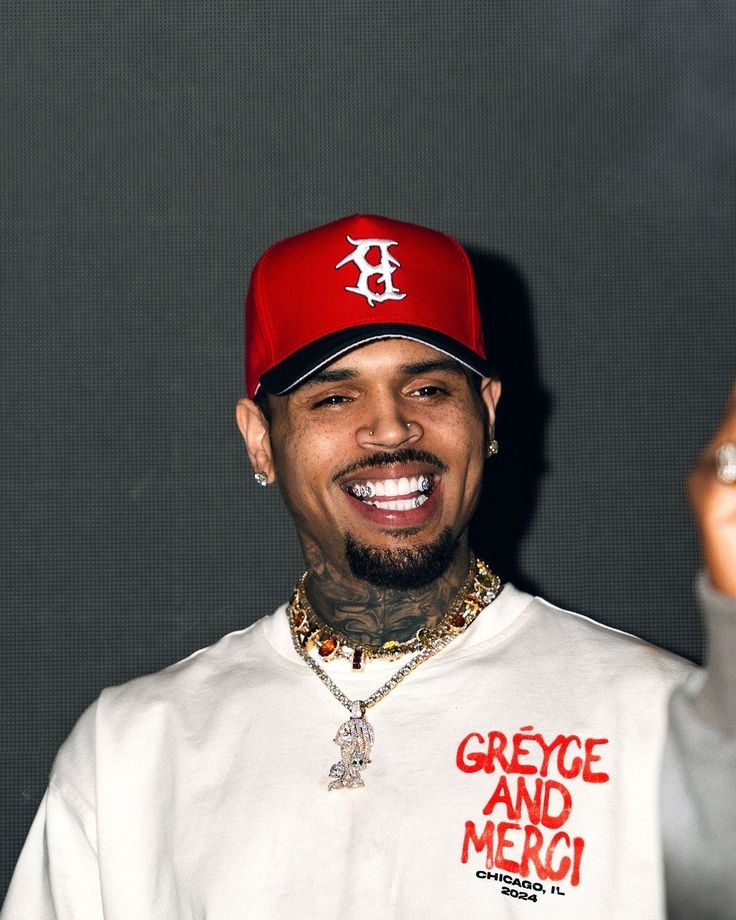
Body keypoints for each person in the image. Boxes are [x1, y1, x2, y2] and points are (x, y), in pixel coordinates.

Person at [2, 214, 734, 919]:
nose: (390, 427)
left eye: (428, 389)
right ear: (260, 439)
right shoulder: (130, 752)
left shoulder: (661, 724)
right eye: (334, 397)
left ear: (487, 412)